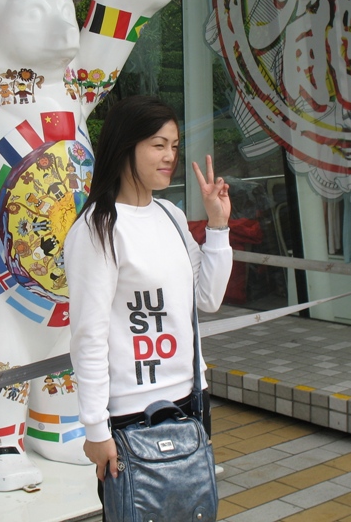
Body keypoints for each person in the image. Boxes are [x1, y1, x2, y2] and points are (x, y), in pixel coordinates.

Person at [64, 95, 233, 517]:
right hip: (127, 414)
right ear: (126, 145)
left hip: (190, 400)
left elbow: (207, 299)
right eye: (158, 144)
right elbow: (88, 336)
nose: (170, 156)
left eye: (174, 146)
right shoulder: (97, 229)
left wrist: (217, 226)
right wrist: (95, 429)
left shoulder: (171, 216)